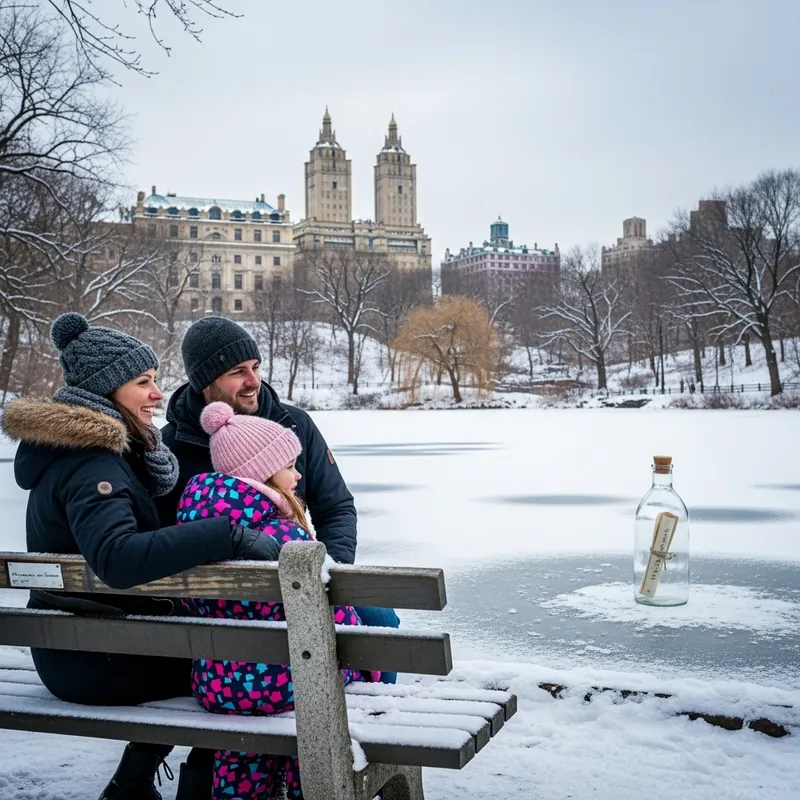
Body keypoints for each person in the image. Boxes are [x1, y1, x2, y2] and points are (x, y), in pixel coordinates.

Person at [1, 313, 278, 800]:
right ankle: (200, 788)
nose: (156, 395)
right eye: (143, 382)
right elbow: (118, 558)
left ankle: (133, 783)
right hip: (93, 662)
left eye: (155, 381)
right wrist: (226, 534)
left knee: (227, 661)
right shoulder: (91, 462)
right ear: (107, 391)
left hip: (80, 644)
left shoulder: (83, 453)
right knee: (240, 670)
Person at [156, 317, 401, 658]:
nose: (253, 380)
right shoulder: (169, 448)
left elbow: (335, 507)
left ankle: (370, 708)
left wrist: (328, 578)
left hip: (299, 582)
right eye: (238, 371)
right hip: (217, 608)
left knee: (379, 619)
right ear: (205, 382)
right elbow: (159, 537)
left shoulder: (295, 424)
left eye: (255, 367)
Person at [177, 402, 380, 800]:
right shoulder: (286, 539)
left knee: (241, 753)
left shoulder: (191, 531)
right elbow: (332, 617)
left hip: (218, 685)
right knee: (327, 695)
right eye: (289, 465)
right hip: (284, 688)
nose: (298, 474)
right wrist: (367, 662)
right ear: (262, 474)